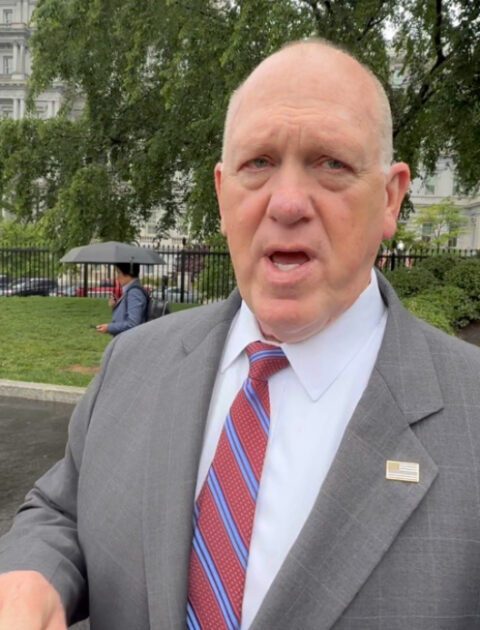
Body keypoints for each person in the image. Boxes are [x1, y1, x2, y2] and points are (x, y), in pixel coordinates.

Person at [1, 38, 480, 630]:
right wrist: (33, 574)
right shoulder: (133, 362)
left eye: (331, 163)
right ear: (222, 194)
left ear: (390, 198)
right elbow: (63, 509)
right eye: (258, 163)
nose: (287, 202)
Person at [95, 262, 148, 335]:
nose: (117, 277)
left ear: (129, 273)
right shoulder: (131, 290)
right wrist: (115, 306)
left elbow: (132, 324)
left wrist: (109, 327)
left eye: (119, 273)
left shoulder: (134, 292)